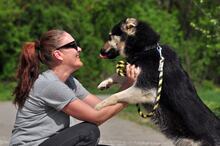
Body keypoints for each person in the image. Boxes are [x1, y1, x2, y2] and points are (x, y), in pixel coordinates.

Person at [10, 29, 139, 146]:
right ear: (58, 55)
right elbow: (97, 117)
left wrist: (127, 83)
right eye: (73, 46)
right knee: (88, 131)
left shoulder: (69, 82)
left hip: (49, 143)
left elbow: (102, 107)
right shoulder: (50, 84)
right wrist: (128, 87)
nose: (79, 49)